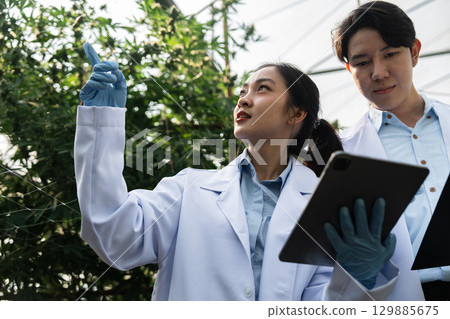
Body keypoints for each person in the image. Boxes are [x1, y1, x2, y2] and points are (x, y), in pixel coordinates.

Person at [75, 42, 402, 300]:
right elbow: (115, 236)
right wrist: (102, 119)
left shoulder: (322, 206)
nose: (243, 100)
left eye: (262, 89)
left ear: (296, 113)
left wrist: (358, 278)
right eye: (242, 92)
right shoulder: (189, 190)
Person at [333, 1, 450, 300]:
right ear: (349, 69)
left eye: (390, 54)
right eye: (361, 63)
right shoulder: (342, 155)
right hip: (407, 300)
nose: (378, 72)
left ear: (414, 51)